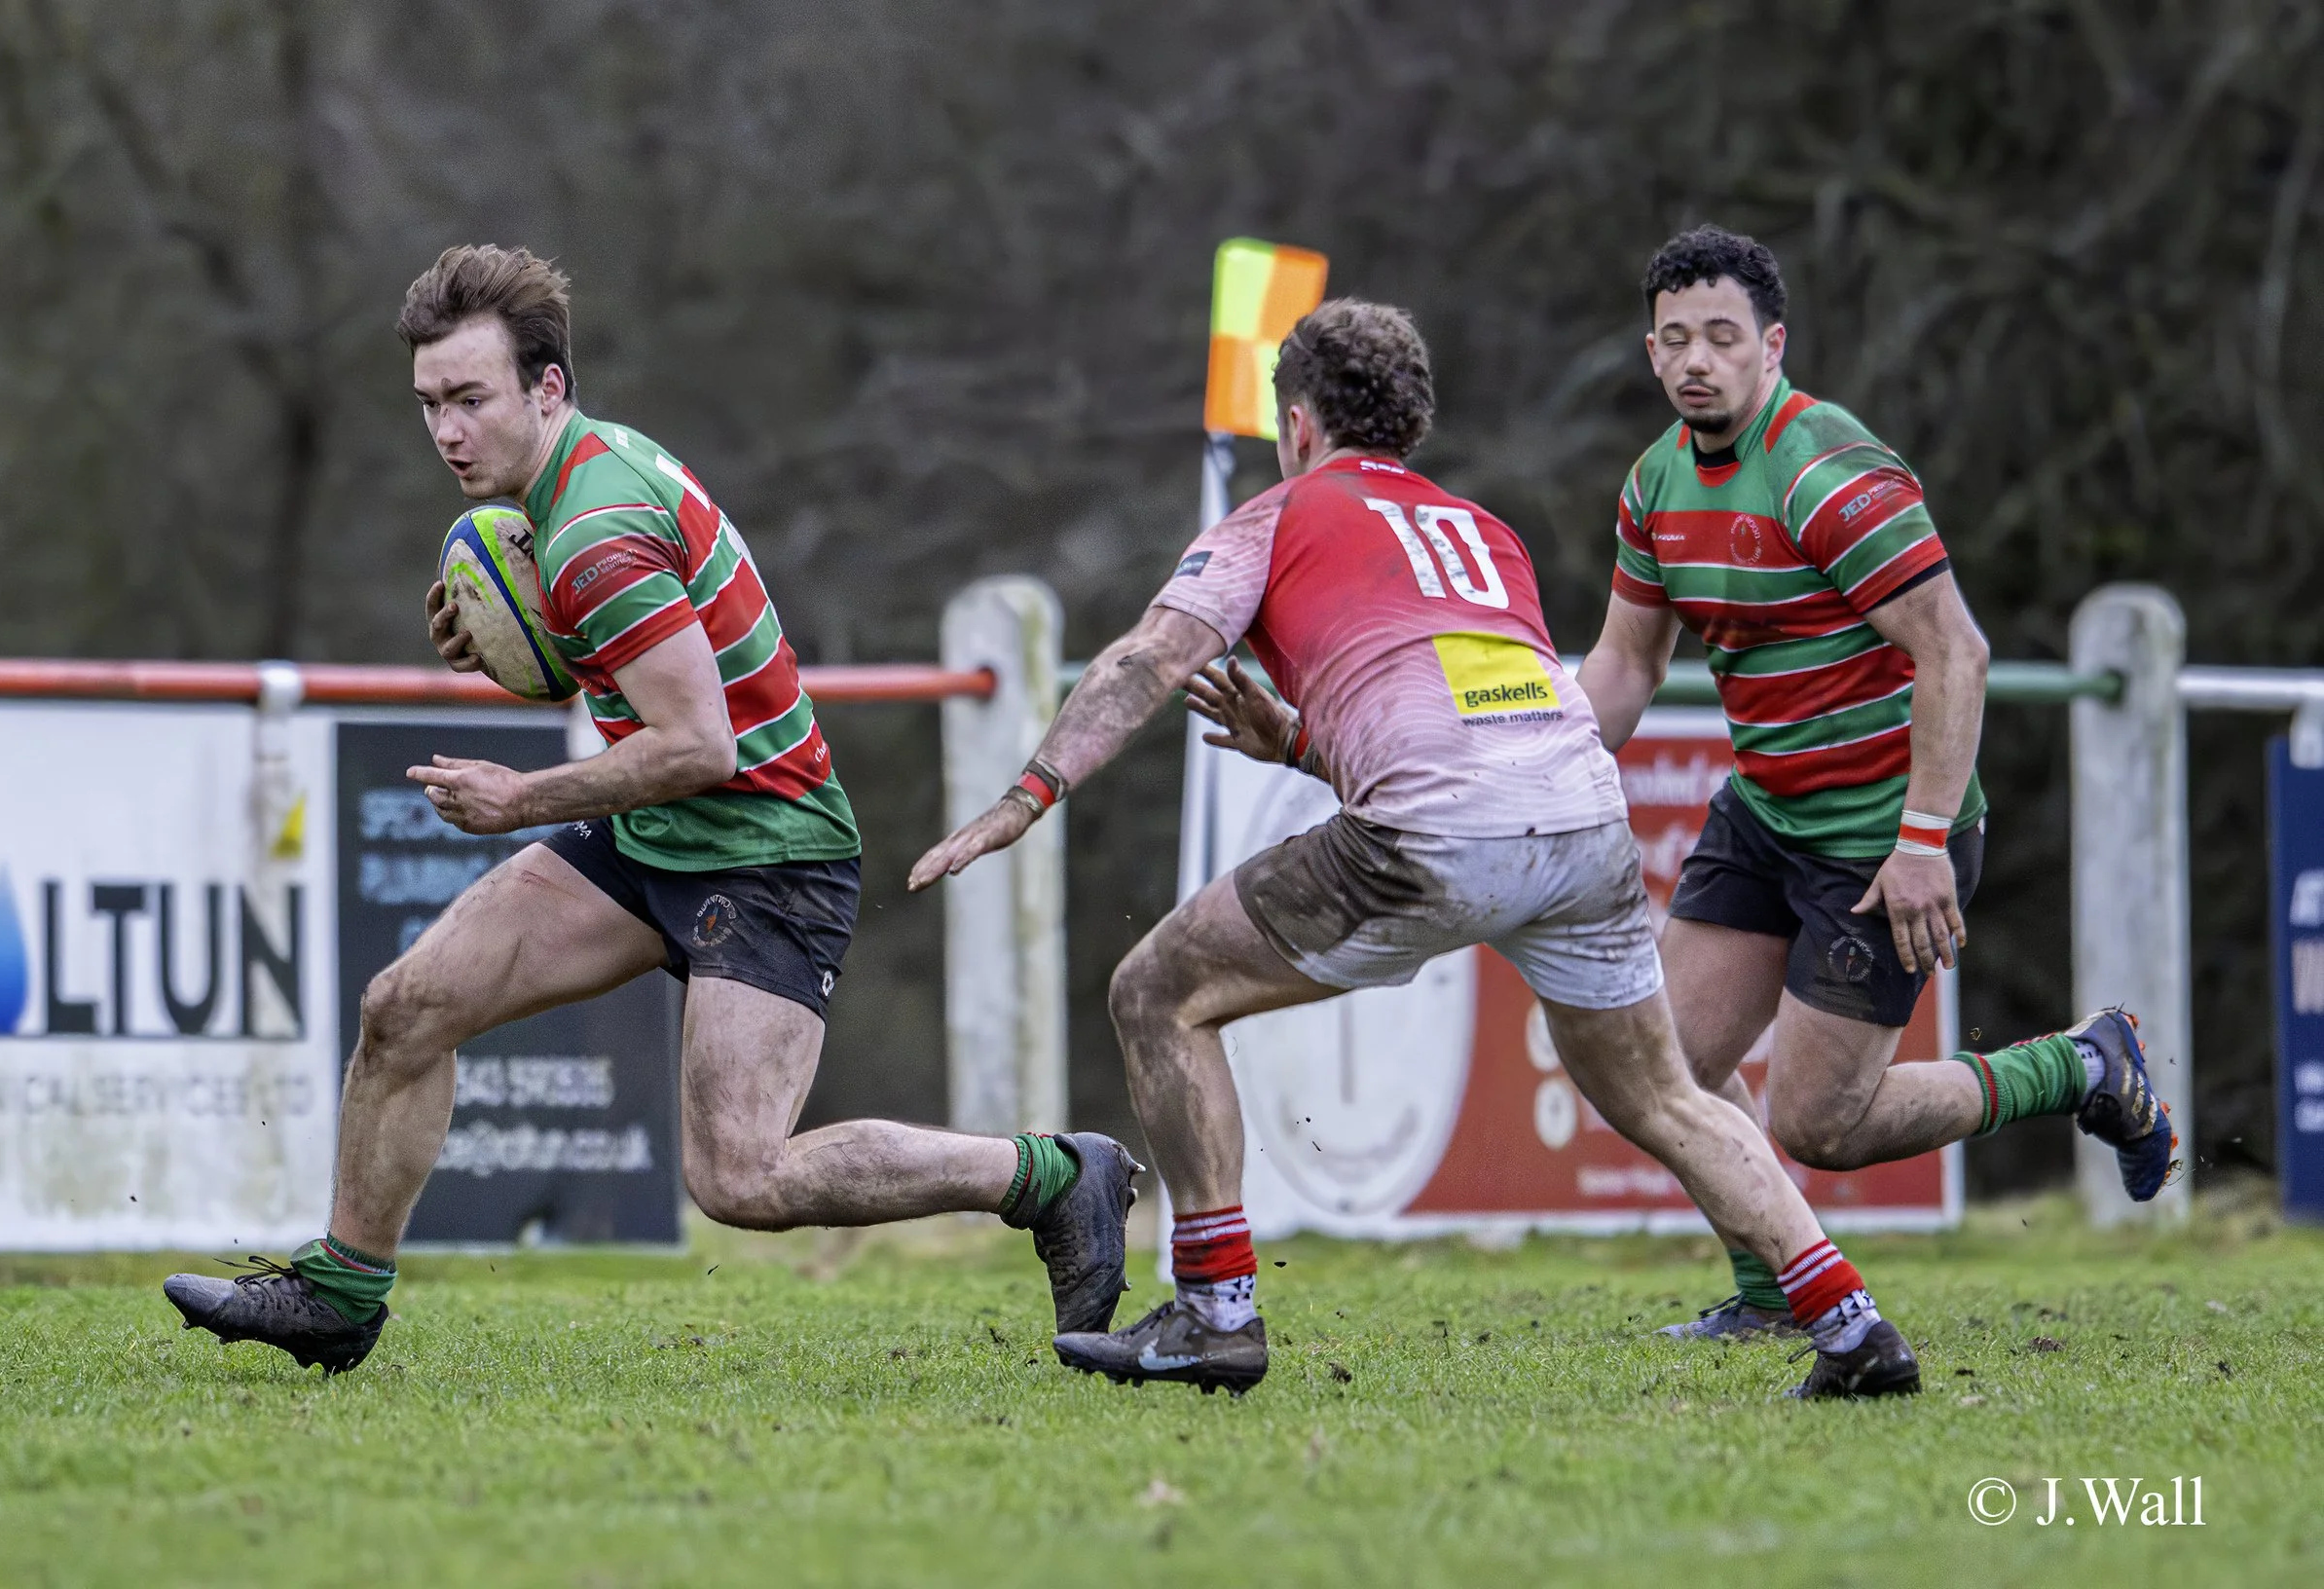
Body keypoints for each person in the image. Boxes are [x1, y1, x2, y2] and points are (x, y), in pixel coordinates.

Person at [912, 298, 1921, 1399]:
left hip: (1434, 835)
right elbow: (1464, 728)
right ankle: (1852, 1325)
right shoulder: (1483, 533)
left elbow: (1145, 661)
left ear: (1298, 425)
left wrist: (1028, 794)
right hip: (1585, 823)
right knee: (1665, 1095)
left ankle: (1214, 1315)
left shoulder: (1275, 515)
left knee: (1156, 994)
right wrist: (1299, 743)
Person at [164, 245, 1136, 1374]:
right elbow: (644, 686)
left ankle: (1054, 1175)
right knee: (406, 1009)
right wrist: (524, 650)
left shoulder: (593, 533)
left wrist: (521, 797)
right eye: (429, 404)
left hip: (768, 851)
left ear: (547, 387)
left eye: (470, 399)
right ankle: (339, 1294)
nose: (447, 432)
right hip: (656, 834)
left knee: (741, 1178)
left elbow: (699, 744)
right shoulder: (576, 483)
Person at [1576, 226, 2177, 1338]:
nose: (1697, 359)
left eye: (1722, 336)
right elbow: (1624, 666)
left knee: (1823, 1124)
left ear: (1773, 345)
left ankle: (2078, 1067)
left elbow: (1957, 651)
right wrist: (1534, 775)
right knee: (1661, 1070)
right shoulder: (1655, 481)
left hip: (1878, 836)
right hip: (1765, 814)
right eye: (1675, 338)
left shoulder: (1826, 471)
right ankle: (1772, 1292)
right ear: (1650, 350)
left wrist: (1921, 840)